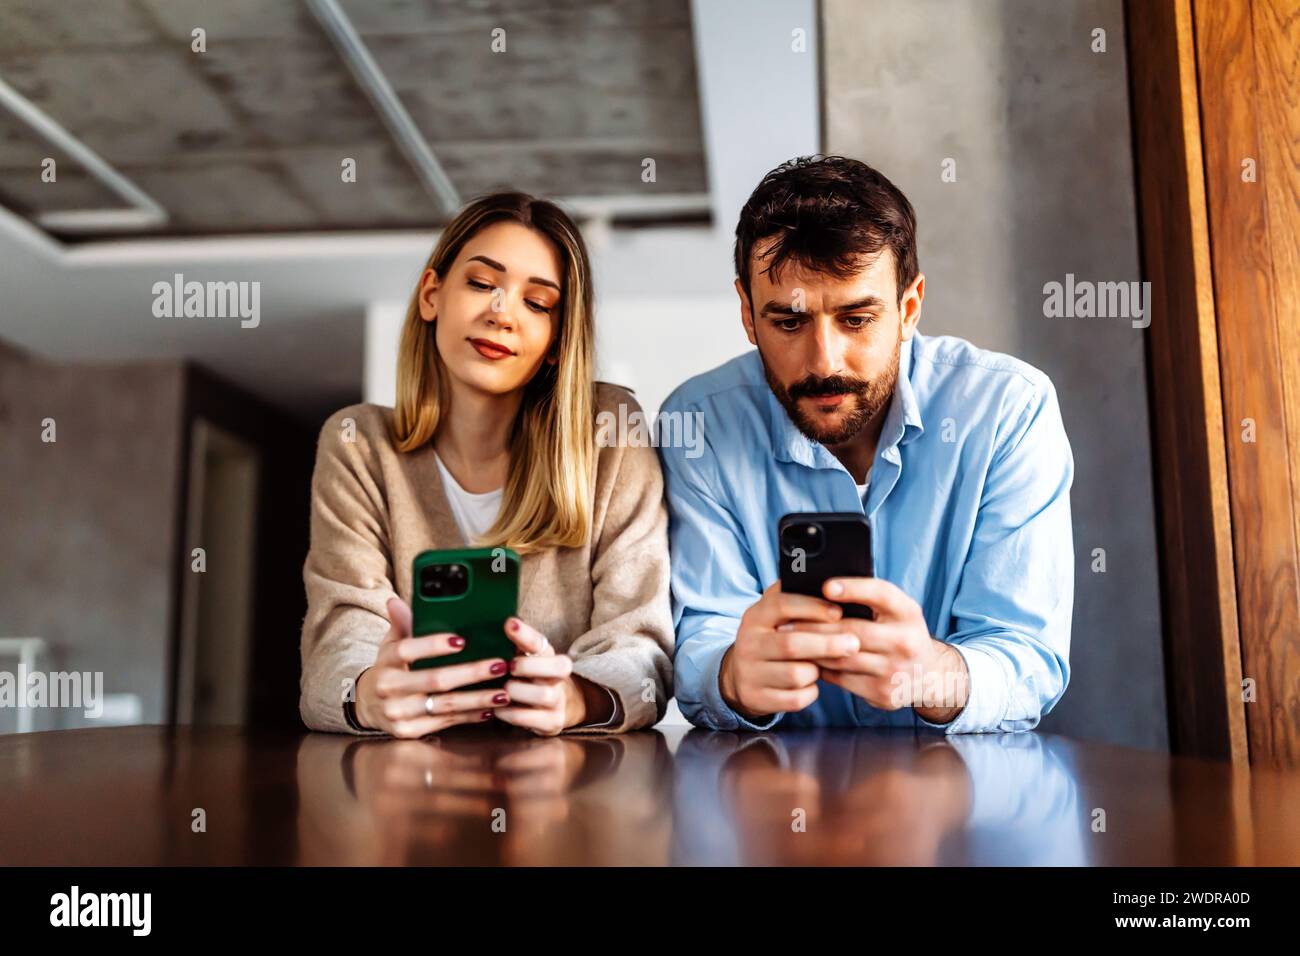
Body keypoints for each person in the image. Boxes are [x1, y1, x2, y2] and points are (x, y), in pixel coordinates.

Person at [661, 156, 1073, 733]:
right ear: (749, 318)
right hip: (775, 804)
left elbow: (1029, 659)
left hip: (961, 803)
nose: (824, 363)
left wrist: (931, 671)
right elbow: (704, 637)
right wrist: (731, 676)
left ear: (908, 308)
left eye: (855, 319)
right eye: (787, 323)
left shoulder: (1009, 410)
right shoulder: (698, 423)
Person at [300, 192, 674, 738]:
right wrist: (367, 696)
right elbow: (338, 646)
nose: (501, 314)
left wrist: (576, 698)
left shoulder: (611, 431)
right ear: (433, 295)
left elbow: (639, 647)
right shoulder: (358, 444)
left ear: (555, 341)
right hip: (412, 783)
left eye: (538, 303)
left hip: (567, 793)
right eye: (481, 284)